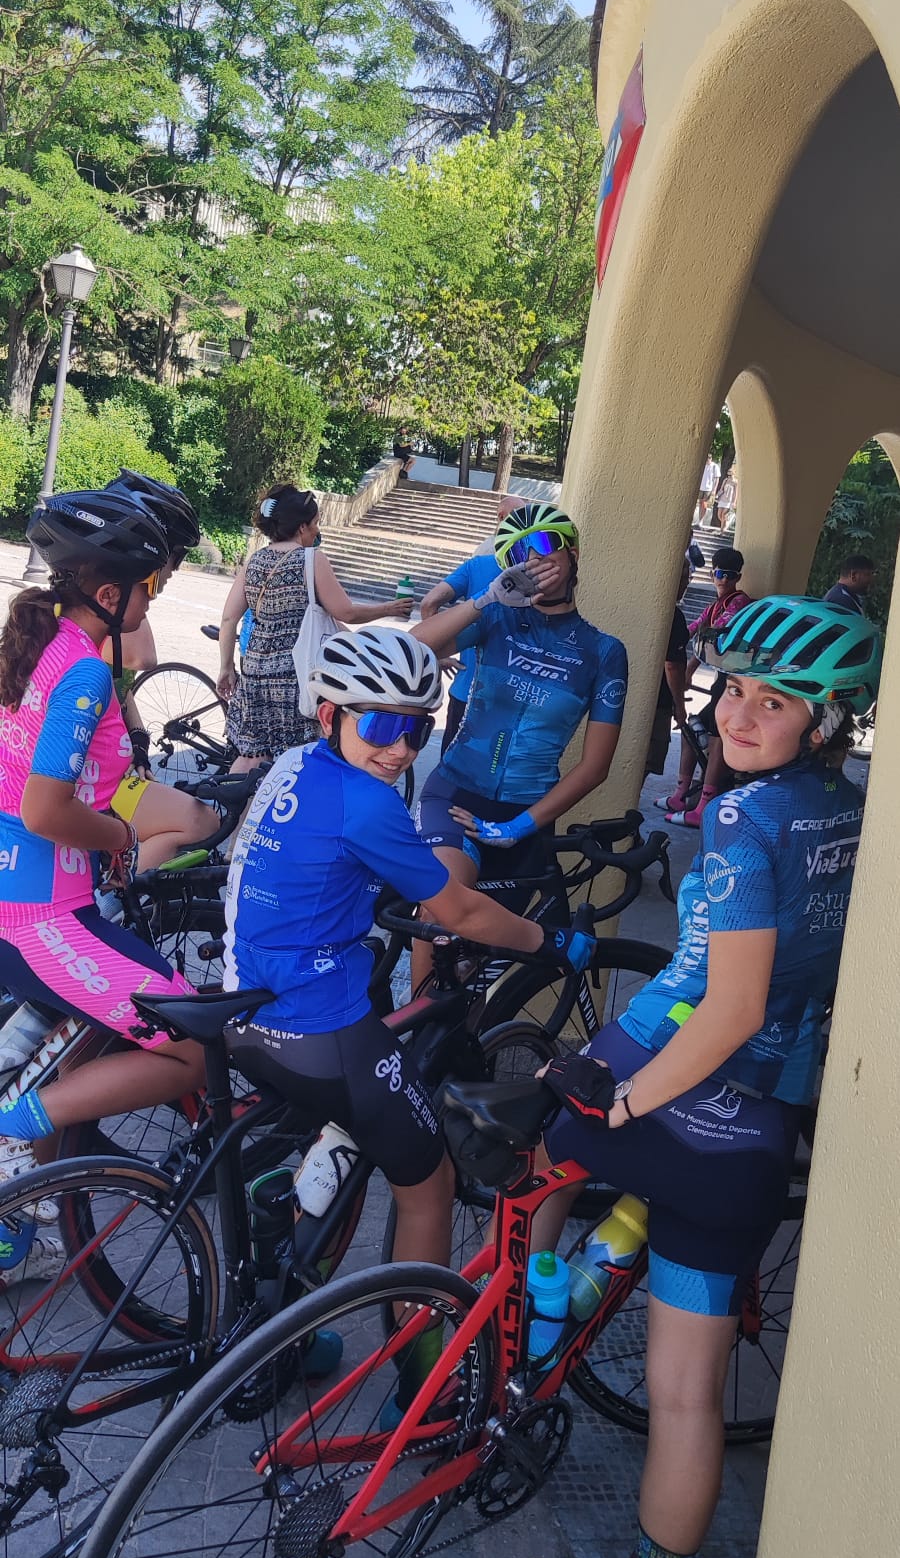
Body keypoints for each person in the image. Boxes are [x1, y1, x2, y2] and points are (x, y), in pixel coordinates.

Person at [528, 595, 881, 1558]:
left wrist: (622, 1107)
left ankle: (537, 1341)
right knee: (687, 1390)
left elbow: (722, 1006)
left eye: (774, 702)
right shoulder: (856, 810)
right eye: (733, 689)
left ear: (825, 720)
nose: (740, 713)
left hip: (660, 1066)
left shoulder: (740, 820)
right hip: (761, 1125)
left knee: (541, 1160)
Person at [222, 626, 595, 1284]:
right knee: (431, 1186)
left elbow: (327, 865)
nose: (399, 750)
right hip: (320, 1029)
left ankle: (280, 1317)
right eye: (383, 726)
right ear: (331, 713)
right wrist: (550, 941)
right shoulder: (367, 802)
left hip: (248, 1007)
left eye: (417, 731)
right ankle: (427, 1375)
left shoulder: (293, 766)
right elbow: (463, 911)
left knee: (348, 1137)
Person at [0, 490, 208, 1193]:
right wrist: (119, 835)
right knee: (190, 1048)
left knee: (81, 1040)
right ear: (114, 594)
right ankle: (11, 1132)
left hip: (25, 898)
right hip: (41, 912)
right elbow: (43, 809)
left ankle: (22, 1214)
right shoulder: (84, 669)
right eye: (151, 588)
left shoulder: (39, 642)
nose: (153, 602)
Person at [411, 504, 628, 986]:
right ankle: (413, 1033)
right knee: (441, 906)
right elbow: (411, 650)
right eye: (519, 554)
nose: (534, 558)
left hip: (527, 816)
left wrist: (515, 827)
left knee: (476, 967)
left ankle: (459, 1054)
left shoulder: (605, 653)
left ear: (572, 554)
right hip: (456, 795)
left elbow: (595, 766)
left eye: (547, 544)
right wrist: (486, 598)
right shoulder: (497, 621)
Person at [216, 484, 415, 773]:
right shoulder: (311, 559)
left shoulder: (255, 561)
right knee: (296, 758)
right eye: (316, 523)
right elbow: (344, 611)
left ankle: (231, 815)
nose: (316, 530)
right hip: (296, 677)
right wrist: (387, 609)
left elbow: (228, 620)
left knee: (251, 755)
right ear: (302, 526)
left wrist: (226, 667)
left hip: (255, 671)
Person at [101, 470, 218, 862]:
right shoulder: (108, 615)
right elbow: (141, 657)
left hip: (107, 771)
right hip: (91, 782)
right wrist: (140, 595)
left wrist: (137, 741)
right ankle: (114, 901)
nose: (175, 571)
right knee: (200, 821)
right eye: (175, 557)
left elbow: (120, 685)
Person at [418, 493, 527, 756]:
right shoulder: (537, 576)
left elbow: (429, 603)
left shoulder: (479, 563)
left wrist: (437, 653)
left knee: (449, 774)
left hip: (466, 688)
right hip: (511, 697)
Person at [657, 547, 749, 827]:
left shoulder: (738, 604)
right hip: (722, 680)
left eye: (729, 575)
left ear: (738, 577)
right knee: (691, 728)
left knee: (715, 736)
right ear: (712, 574)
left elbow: (712, 638)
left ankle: (705, 803)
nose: (722, 579)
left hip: (731, 681)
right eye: (719, 574)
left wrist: (688, 668)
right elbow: (693, 629)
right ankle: (681, 793)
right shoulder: (715, 605)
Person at [645, 556, 690, 778]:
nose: (686, 583)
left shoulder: (644, 608)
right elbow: (672, 665)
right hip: (657, 702)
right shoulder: (673, 617)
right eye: (683, 577)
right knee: (644, 762)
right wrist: (680, 706)